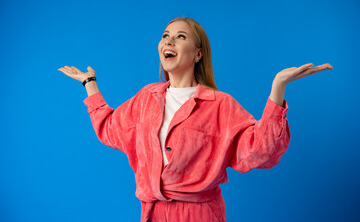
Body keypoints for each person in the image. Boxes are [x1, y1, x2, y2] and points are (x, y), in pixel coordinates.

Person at [58, 17, 333, 222]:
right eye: (166, 35)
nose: (169, 41)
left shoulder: (220, 105)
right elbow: (110, 129)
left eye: (180, 37)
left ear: (198, 53)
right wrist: (90, 84)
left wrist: (277, 90)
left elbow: (262, 152)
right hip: (152, 212)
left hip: (200, 214)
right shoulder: (146, 98)